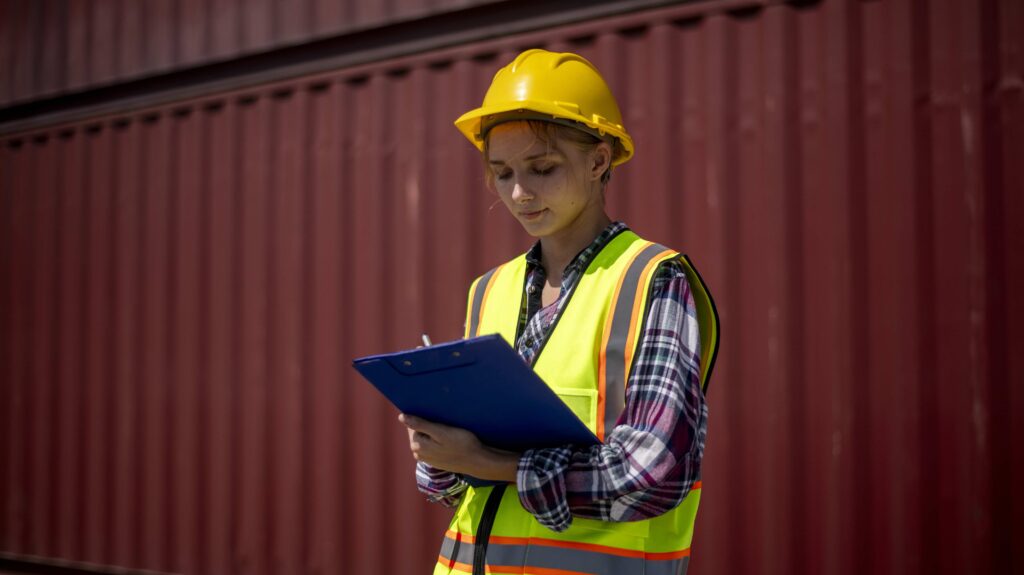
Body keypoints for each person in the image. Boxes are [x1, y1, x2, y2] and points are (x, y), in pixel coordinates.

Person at [399, 48, 719, 575]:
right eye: (502, 173)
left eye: (542, 168)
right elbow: (452, 489)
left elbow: (653, 473)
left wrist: (490, 464)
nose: (519, 193)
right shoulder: (488, 291)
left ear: (598, 160)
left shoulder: (650, 280)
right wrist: (438, 451)